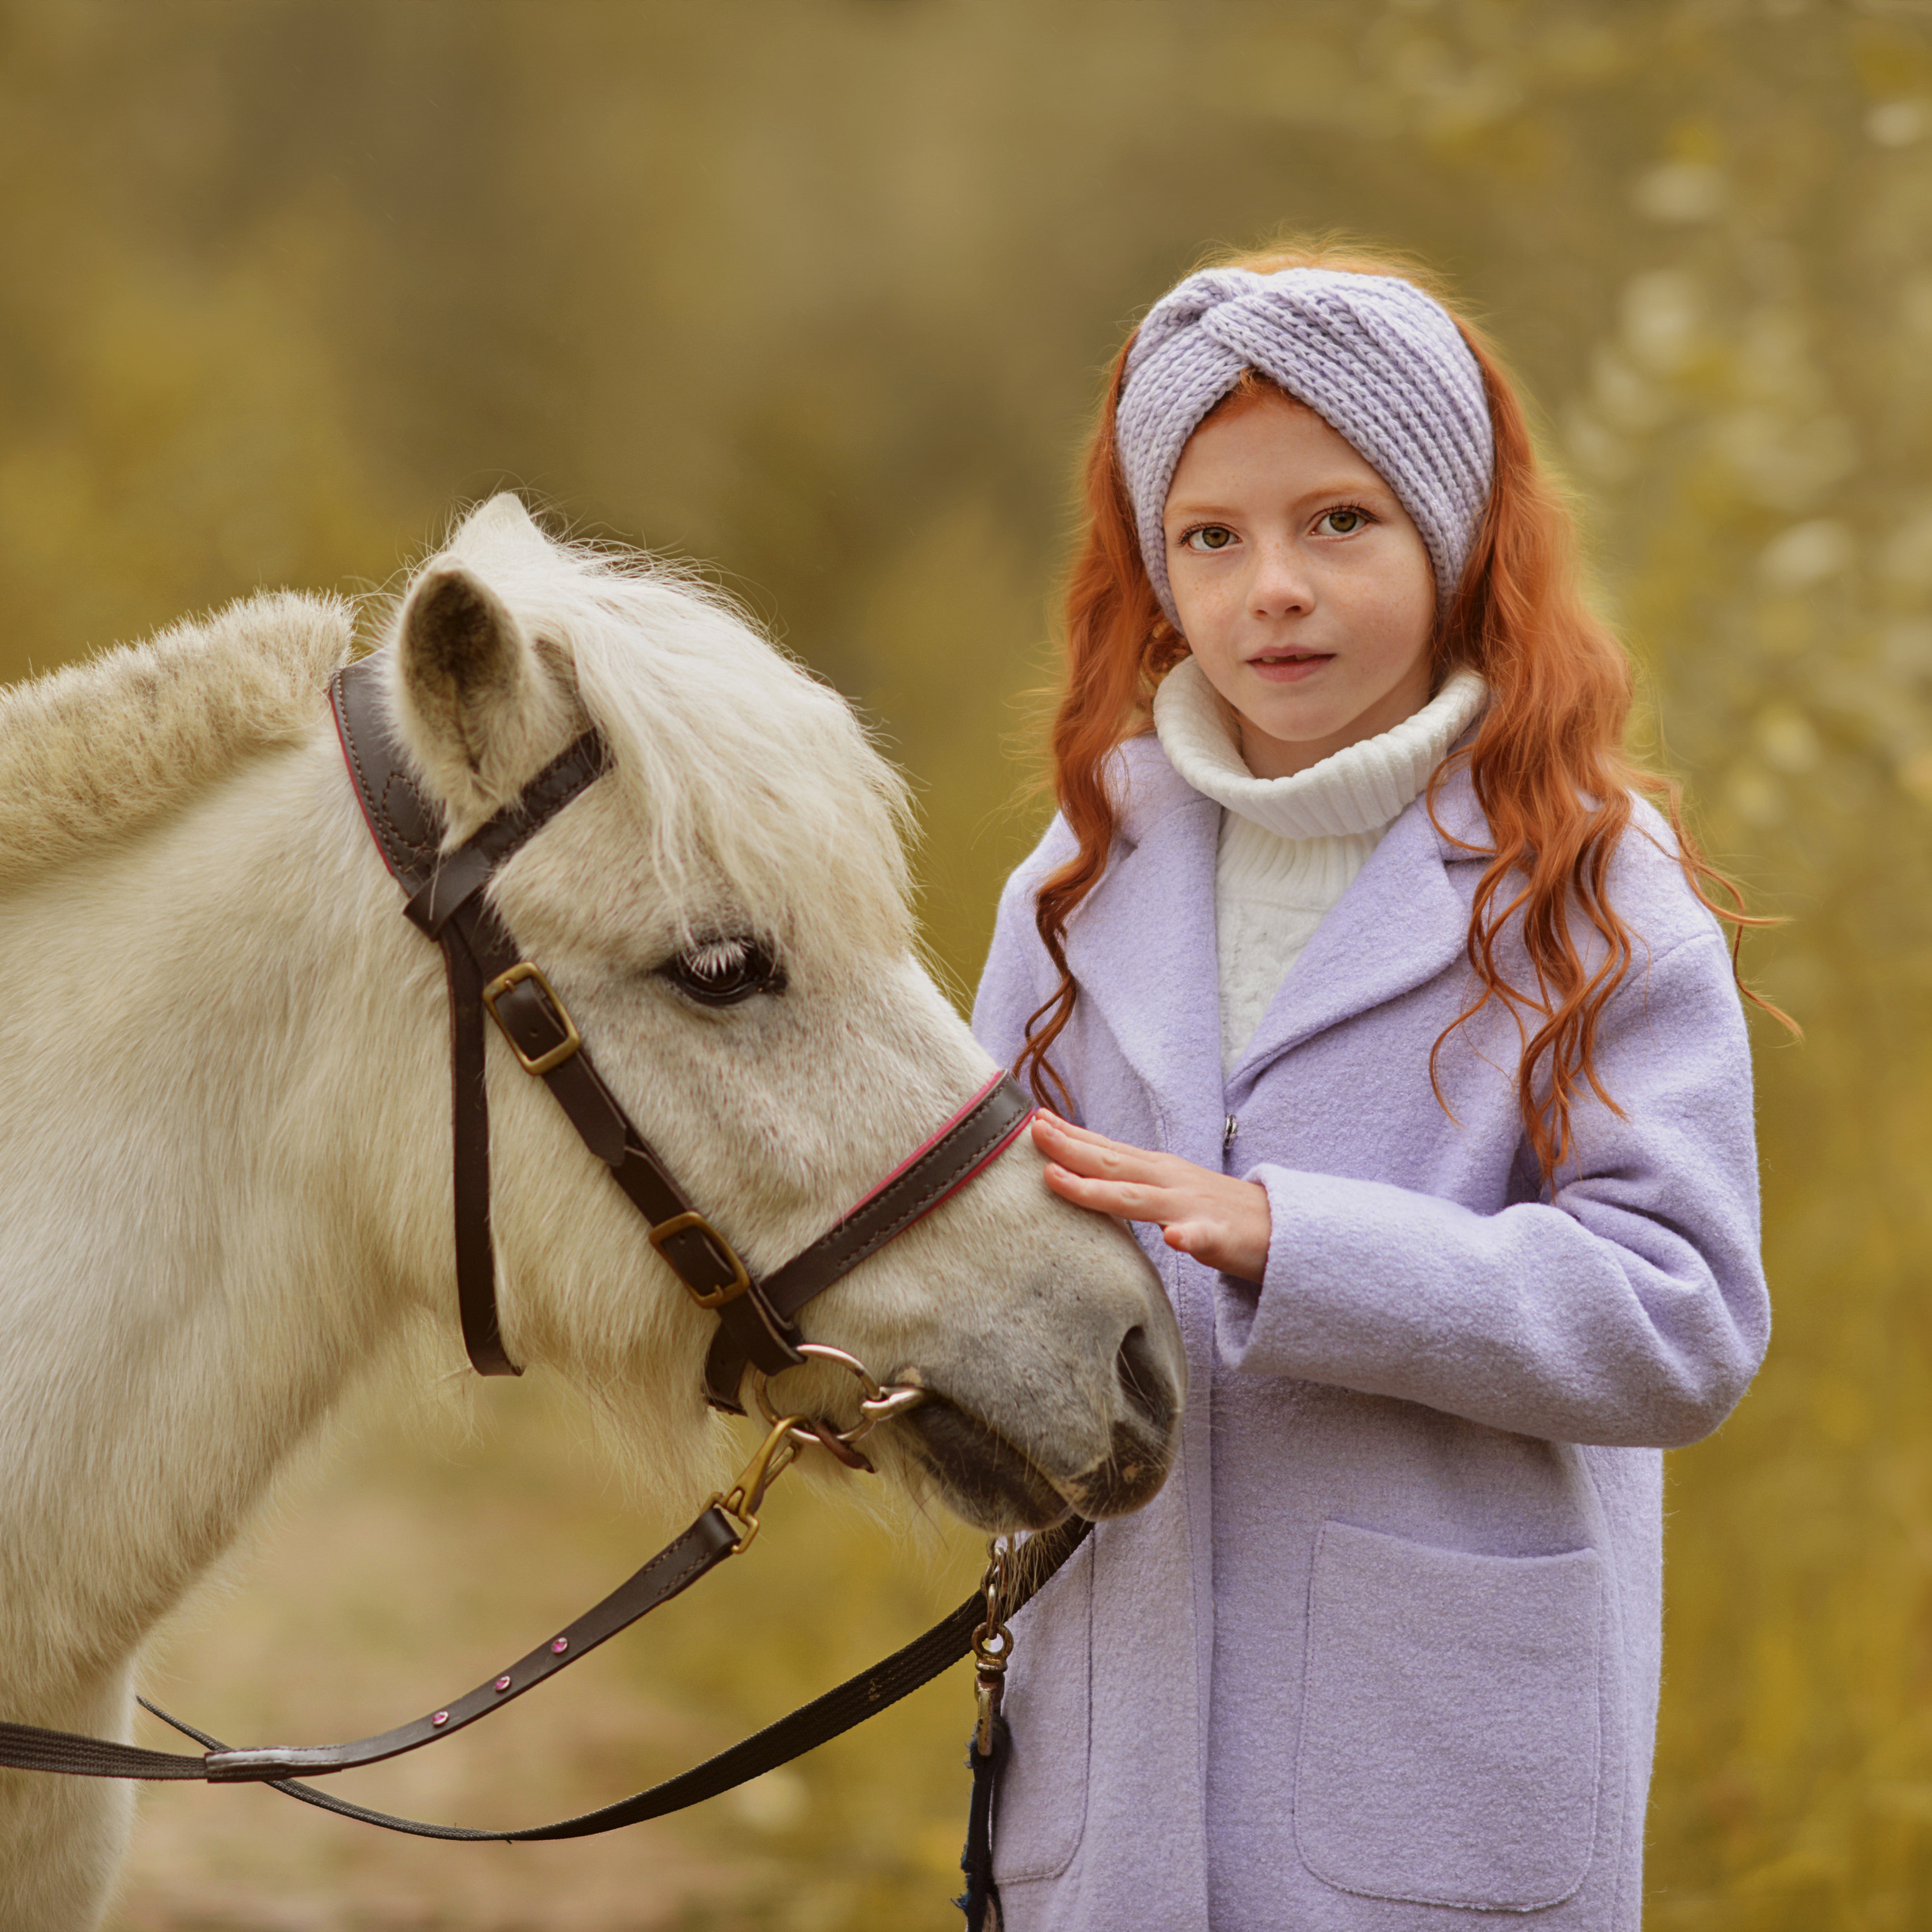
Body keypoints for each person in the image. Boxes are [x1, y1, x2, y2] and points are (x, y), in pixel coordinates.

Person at [968, 242, 1777, 1930]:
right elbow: (989, 1276)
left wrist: (1296, 1242)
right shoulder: (1076, 877)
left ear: (1457, 537)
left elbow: (1682, 1315)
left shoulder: (1589, 892)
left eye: (1338, 520)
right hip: (1112, 1786)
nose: (1272, 587)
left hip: (1430, 1781)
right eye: (1211, 536)